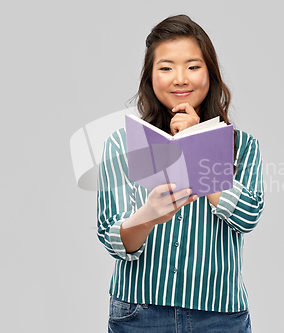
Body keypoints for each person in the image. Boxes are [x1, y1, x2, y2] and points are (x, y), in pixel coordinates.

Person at [97, 14, 264, 333]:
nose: (180, 78)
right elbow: (111, 236)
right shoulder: (122, 144)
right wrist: (147, 216)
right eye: (166, 67)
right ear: (150, 77)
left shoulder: (242, 146)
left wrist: (195, 148)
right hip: (139, 313)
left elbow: (248, 216)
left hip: (219, 316)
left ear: (209, 73)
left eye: (192, 66)